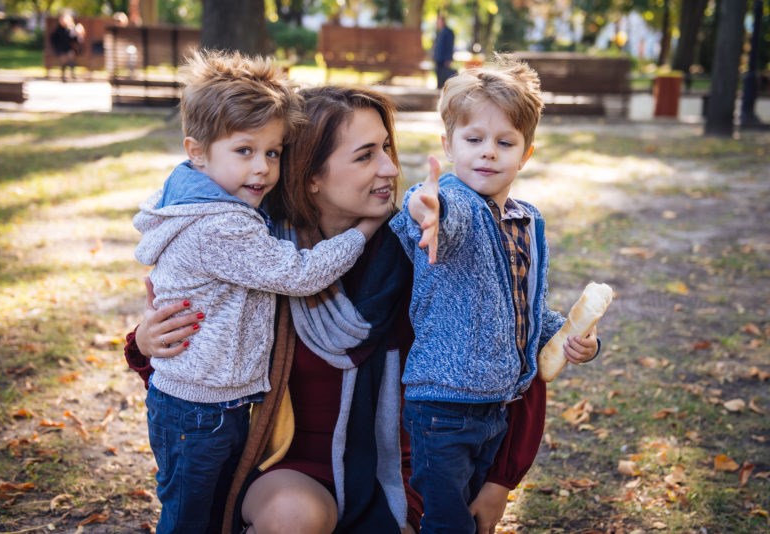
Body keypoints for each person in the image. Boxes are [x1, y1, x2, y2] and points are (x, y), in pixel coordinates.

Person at [125, 84, 597, 534]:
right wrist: (146, 344)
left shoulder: (425, 250)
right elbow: (196, 370)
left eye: (387, 148)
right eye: (366, 155)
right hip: (291, 465)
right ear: (311, 175)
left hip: (407, 467)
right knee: (291, 518)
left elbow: (513, 351)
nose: (390, 168)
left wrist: (499, 481)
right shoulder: (261, 255)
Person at [133, 51, 383, 534]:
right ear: (197, 152)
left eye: (273, 153)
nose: (263, 168)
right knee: (189, 521)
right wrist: (363, 232)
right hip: (201, 411)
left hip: (220, 405)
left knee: (211, 516)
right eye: (245, 151)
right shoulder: (221, 226)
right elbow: (300, 274)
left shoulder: (226, 209)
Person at [388, 54, 601, 533]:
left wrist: (574, 338)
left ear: (526, 154)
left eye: (505, 142)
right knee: (446, 522)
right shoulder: (454, 203)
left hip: (496, 407)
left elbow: (524, 305)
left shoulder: (525, 220)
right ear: (448, 145)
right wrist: (427, 210)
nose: (488, 153)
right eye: (473, 139)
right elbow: (437, 212)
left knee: (470, 517)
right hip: (441, 407)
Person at [50, 10, 85, 82]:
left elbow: (73, 39)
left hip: (68, 48)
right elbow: (53, 39)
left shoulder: (69, 29)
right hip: (60, 49)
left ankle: (72, 74)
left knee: (71, 56)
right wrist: (56, 47)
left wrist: (79, 36)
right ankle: (63, 76)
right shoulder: (58, 30)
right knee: (64, 59)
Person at [433, 13, 456, 89]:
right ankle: (439, 87)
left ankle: (443, 88)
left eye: (439, 22)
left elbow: (449, 46)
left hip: (444, 58)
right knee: (439, 74)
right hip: (438, 58)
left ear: (443, 22)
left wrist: (448, 58)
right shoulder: (439, 32)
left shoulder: (448, 32)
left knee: (444, 75)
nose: (438, 24)